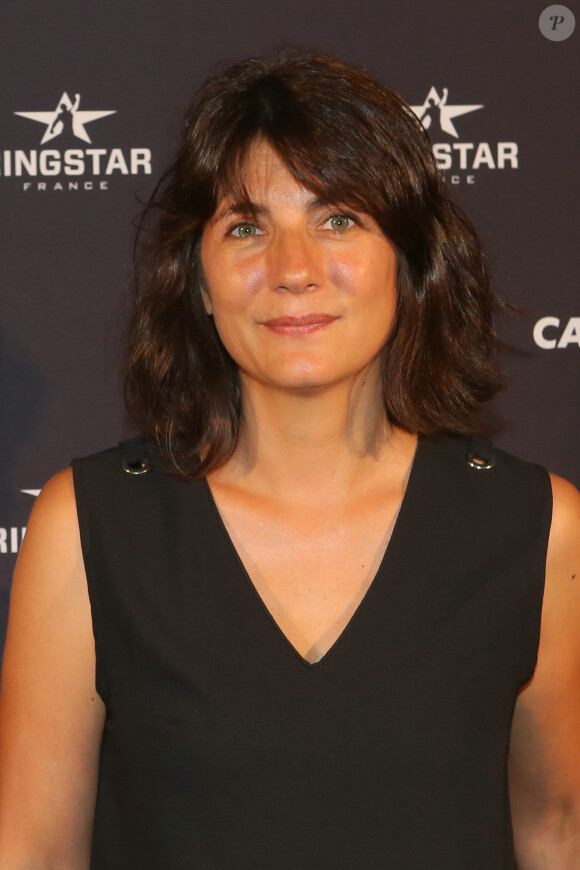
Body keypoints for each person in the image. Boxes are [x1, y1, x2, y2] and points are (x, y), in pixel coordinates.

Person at [0, 50, 579, 870]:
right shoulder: (90, 524)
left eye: (339, 219)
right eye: (246, 227)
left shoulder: (538, 528)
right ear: (198, 281)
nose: (294, 270)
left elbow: (557, 832)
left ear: (409, 263)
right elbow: (34, 852)